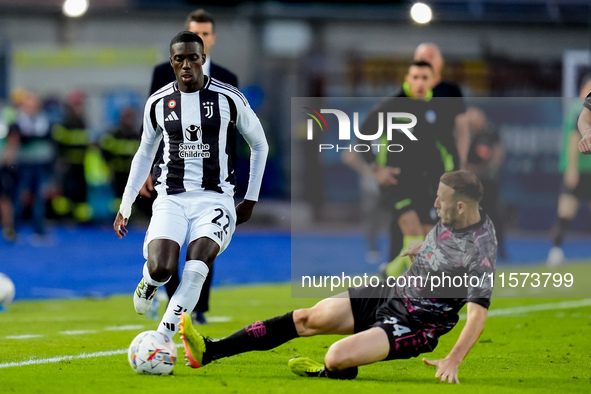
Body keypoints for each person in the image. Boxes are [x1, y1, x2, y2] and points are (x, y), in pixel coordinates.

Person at [179, 170, 496, 384]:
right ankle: (210, 350)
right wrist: (422, 248)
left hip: (416, 324)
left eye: (442, 200)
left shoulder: (479, 250)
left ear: (462, 206)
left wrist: (453, 359)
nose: (436, 204)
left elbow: (477, 317)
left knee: (335, 356)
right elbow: (442, 240)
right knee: (308, 318)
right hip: (391, 293)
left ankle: (333, 371)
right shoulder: (456, 215)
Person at [113, 31, 268, 341]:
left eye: (192, 58)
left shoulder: (229, 98)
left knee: (197, 267)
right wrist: (125, 206)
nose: (186, 64)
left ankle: (162, 337)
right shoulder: (158, 102)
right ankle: (148, 281)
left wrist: (250, 199)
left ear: (203, 59)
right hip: (170, 198)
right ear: (172, 62)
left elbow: (259, 145)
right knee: (162, 269)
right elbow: (145, 152)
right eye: (179, 58)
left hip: (216, 199)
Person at [149, 9, 239, 325]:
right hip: (172, 176)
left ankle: (197, 307)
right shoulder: (162, 73)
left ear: (212, 39)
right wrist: (151, 170)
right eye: (194, 32)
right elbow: (154, 129)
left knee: (205, 244)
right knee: (169, 241)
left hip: (213, 180)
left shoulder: (228, 80)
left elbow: (237, 135)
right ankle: (169, 296)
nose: (199, 38)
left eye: (205, 34)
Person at [360, 61, 444, 277]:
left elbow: (438, 150)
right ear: (407, 79)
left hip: (423, 184)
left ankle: (388, 275)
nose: (419, 82)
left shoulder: (434, 108)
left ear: (433, 80)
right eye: (415, 77)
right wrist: (376, 169)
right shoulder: (392, 105)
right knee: (413, 231)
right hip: (396, 182)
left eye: (424, 78)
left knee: (427, 239)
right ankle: (413, 292)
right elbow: (362, 137)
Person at [548, 77, 591, 265]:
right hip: (580, 170)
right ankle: (556, 251)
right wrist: (572, 168)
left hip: (586, 170)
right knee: (565, 211)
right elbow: (575, 139)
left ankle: (556, 251)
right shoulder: (577, 108)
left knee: (565, 212)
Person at [413, 43, 470, 171]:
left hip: (444, 164)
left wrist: (461, 163)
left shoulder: (451, 91)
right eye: (422, 58)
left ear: (441, 63)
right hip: (412, 167)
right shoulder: (405, 92)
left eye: (431, 57)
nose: (426, 61)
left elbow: (463, 131)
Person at [465, 107, 506, 259]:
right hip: (468, 184)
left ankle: (500, 249)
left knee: (493, 215)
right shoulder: (465, 134)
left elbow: (497, 156)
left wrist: (478, 171)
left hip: (487, 183)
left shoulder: (490, 133)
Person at [13, 91, 55, 238]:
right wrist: (35, 137)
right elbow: (25, 139)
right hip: (24, 163)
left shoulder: (44, 119)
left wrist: (32, 137)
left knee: (39, 197)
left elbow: (46, 136)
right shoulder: (18, 119)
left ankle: (39, 229)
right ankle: (13, 229)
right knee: (19, 196)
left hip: (41, 163)